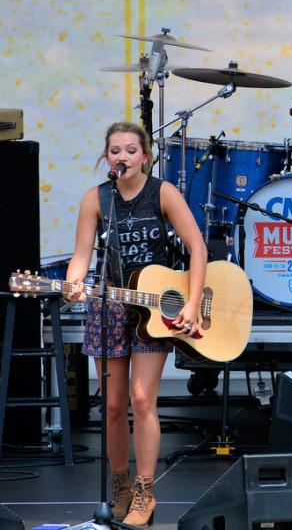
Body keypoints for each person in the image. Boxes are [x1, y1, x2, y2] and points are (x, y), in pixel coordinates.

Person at [65, 121, 208, 523]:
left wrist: (192, 303)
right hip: (110, 304)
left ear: (145, 156)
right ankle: (120, 484)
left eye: (131, 150)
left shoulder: (162, 192)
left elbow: (196, 247)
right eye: (115, 150)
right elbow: (81, 256)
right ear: (106, 157)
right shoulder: (96, 199)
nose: (122, 156)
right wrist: (73, 285)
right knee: (112, 406)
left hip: (153, 309)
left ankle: (146, 491)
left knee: (142, 400)